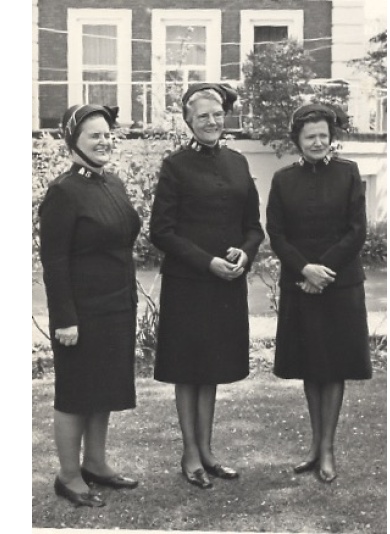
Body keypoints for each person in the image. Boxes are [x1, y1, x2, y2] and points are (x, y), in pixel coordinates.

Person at [150, 83, 264, 489]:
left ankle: (208, 451)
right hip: (189, 284)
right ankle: (190, 454)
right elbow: (159, 231)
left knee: (212, 369)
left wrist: (245, 254)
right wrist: (207, 262)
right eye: (203, 116)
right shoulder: (175, 165)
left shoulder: (237, 161)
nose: (212, 121)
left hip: (226, 285)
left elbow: (254, 227)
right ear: (188, 121)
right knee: (189, 369)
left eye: (217, 114)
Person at [39, 104, 141, 507]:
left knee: (104, 390)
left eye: (107, 134)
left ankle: (95, 463)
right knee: (76, 393)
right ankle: (68, 475)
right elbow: (54, 261)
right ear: (74, 142)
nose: (105, 141)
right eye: (94, 135)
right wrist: (64, 318)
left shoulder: (111, 182)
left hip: (117, 305)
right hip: (81, 313)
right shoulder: (63, 191)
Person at [266, 102, 372, 484]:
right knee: (311, 365)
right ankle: (313, 446)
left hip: (339, 285)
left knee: (334, 367)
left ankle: (327, 448)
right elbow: (276, 233)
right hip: (300, 283)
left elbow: (356, 230)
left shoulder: (348, 173)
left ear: (332, 138)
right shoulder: (282, 179)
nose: (317, 142)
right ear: (297, 139)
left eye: (323, 136)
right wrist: (304, 269)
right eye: (310, 136)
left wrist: (323, 270)